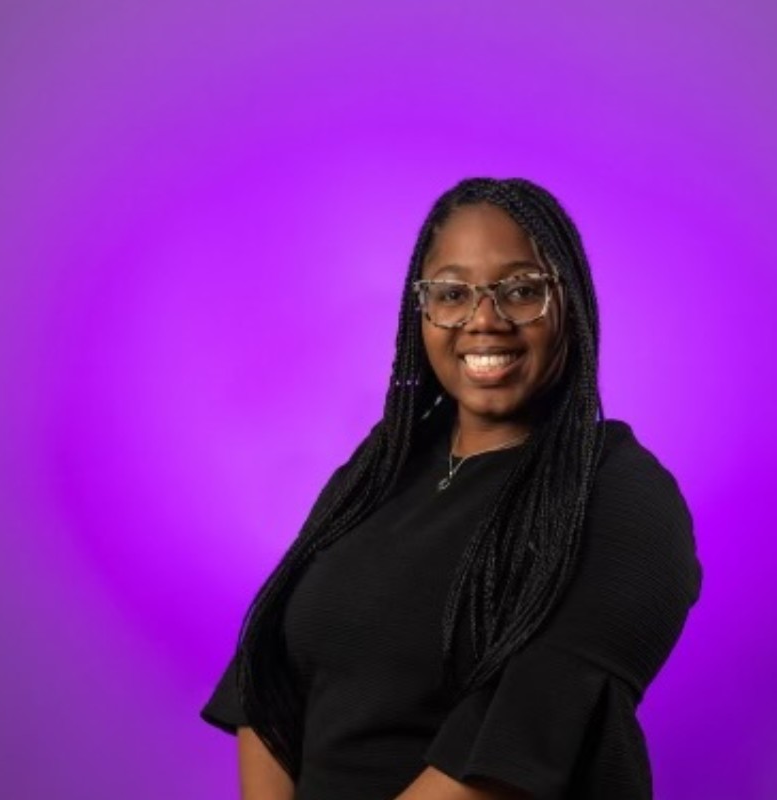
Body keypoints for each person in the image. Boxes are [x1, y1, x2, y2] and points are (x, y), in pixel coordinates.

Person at [201, 177, 703, 799]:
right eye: (452, 293)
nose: (483, 321)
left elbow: (512, 748)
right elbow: (268, 676)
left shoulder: (622, 496)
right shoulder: (382, 466)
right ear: (423, 309)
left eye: (521, 291)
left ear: (568, 301)